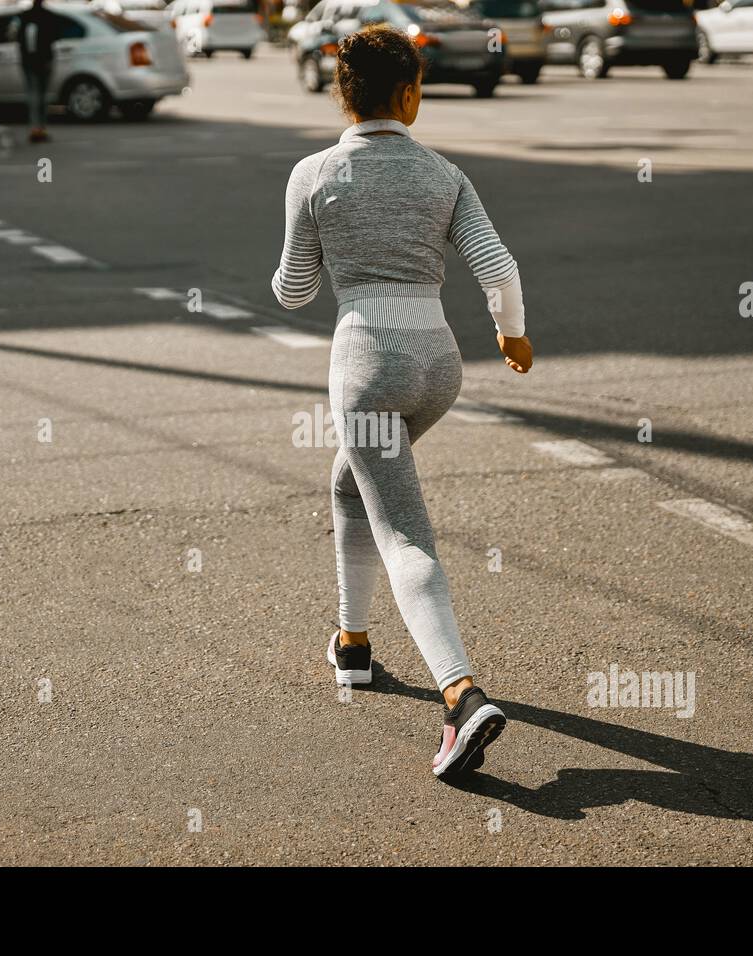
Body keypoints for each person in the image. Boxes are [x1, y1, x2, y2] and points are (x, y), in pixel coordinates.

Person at [271, 25, 533, 780]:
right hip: (438, 365)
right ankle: (352, 644)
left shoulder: (314, 174)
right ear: (412, 93)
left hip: (368, 367)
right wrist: (511, 338)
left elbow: (293, 291)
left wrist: (319, 257)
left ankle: (460, 695)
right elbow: (500, 270)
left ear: (340, 93)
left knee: (404, 529)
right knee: (351, 481)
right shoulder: (444, 174)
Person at [16, 0, 62, 143]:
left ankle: (36, 128)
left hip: (31, 61)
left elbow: (19, 39)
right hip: (43, 61)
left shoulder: (24, 16)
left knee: (34, 96)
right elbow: (55, 36)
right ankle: (39, 128)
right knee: (40, 97)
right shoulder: (48, 16)